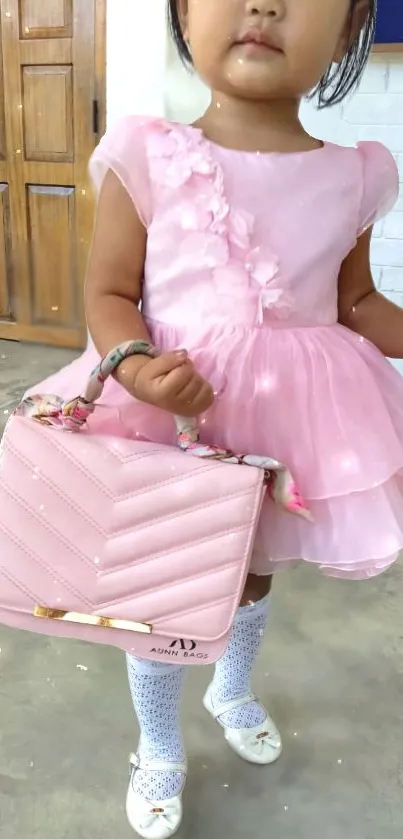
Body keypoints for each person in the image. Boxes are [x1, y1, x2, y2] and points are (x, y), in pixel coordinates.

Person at [27, 0, 403, 836]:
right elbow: (109, 293)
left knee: (253, 569)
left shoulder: (357, 173)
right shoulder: (147, 151)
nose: (262, 5)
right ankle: (157, 744)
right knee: (164, 587)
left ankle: (231, 687)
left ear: (347, 30)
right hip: (170, 414)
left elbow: (356, 301)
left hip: (289, 419)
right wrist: (136, 366)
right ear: (184, 13)